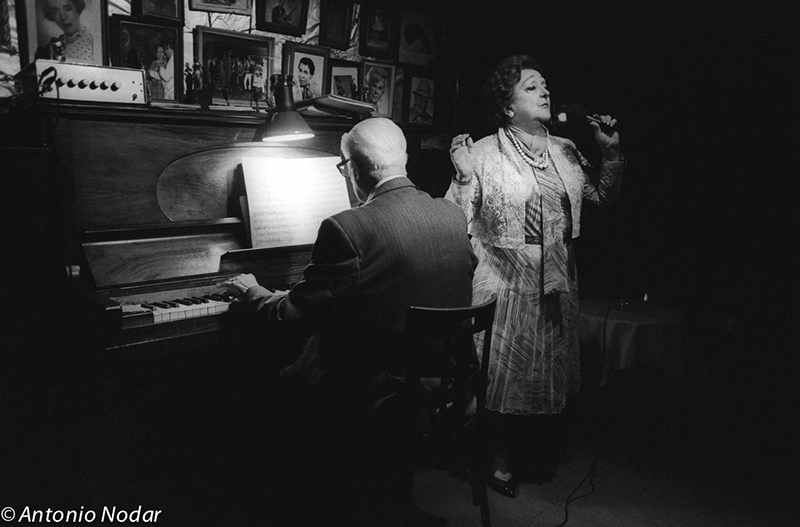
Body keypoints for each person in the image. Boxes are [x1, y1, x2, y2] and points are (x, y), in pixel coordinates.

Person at [222, 117, 477, 523]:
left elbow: (291, 315)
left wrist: (255, 292)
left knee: (268, 376)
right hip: (444, 382)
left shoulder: (347, 227)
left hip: (377, 393)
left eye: (344, 167)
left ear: (355, 168)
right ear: (403, 160)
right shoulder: (450, 215)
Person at [446, 54, 624, 498]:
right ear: (507, 106)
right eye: (531, 86)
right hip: (505, 280)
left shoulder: (565, 149)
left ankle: (532, 450)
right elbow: (452, 221)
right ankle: (495, 457)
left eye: (544, 84)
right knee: (503, 373)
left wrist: (610, 150)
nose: (544, 91)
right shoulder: (482, 153)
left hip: (556, 277)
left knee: (544, 369)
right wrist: (464, 177)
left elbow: (600, 198)